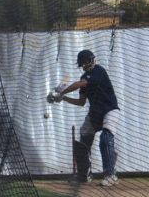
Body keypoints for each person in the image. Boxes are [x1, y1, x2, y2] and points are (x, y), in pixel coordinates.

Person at [49, 49, 120, 186]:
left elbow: (79, 84)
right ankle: (84, 175)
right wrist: (63, 98)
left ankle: (111, 175)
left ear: (92, 60)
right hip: (95, 113)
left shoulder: (99, 71)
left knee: (105, 139)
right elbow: (81, 102)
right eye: (83, 63)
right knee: (83, 139)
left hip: (110, 110)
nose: (86, 64)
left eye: (87, 61)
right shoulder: (84, 76)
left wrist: (60, 92)